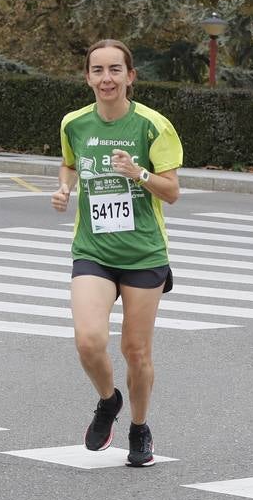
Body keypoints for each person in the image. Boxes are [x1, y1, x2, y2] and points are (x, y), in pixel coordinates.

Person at [51, 39, 182, 468]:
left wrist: (138, 172)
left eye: (114, 70)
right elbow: (70, 163)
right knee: (89, 341)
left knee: (136, 351)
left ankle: (139, 427)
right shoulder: (75, 123)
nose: (106, 79)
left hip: (143, 252)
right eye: (97, 70)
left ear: (130, 76)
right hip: (93, 248)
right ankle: (108, 401)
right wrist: (65, 187)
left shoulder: (152, 126)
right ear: (87, 77)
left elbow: (172, 191)